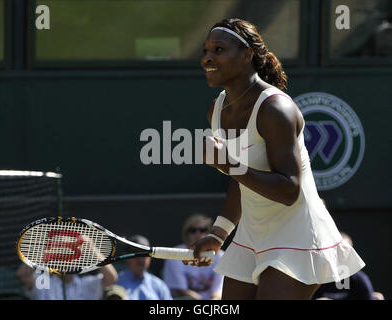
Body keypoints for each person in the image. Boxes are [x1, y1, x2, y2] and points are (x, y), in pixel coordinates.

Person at [188, 18, 366, 300]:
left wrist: (230, 164)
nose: (208, 58)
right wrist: (220, 233)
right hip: (251, 237)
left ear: (246, 55)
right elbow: (243, 181)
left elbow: (289, 189)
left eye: (219, 50)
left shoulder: (275, 108)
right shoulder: (217, 110)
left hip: (297, 236)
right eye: (206, 50)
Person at [162, 213, 224, 300]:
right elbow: (182, 291)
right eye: (193, 230)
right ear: (186, 234)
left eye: (202, 230)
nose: (198, 234)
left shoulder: (220, 256)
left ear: (209, 233)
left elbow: (218, 291)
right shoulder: (175, 254)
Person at [313, 233, 384, 300]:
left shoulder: (359, 280)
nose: (340, 255)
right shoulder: (317, 279)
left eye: (345, 250)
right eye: (336, 250)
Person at [16, 263, 118, 300]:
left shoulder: (87, 284)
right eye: (62, 256)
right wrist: (44, 251)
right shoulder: (44, 282)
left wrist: (91, 246)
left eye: (71, 256)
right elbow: (22, 274)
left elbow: (112, 278)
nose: (67, 261)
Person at [116, 234, 172, 300]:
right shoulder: (115, 282)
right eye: (135, 254)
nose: (140, 259)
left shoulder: (160, 285)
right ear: (126, 256)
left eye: (145, 253)